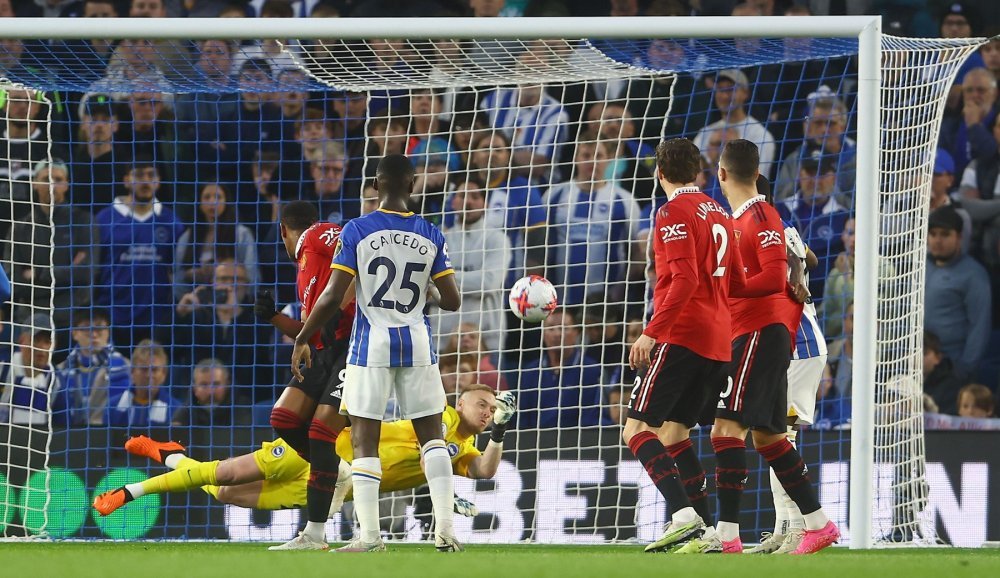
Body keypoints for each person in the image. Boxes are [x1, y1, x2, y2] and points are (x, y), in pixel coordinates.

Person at [290, 153, 462, 553]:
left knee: (364, 439)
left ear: (376, 185)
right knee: (431, 437)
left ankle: (370, 537)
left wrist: (303, 337)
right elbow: (452, 301)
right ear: (413, 185)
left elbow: (332, 295)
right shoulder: (431, 233)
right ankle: (446, 530)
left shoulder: (357, 229)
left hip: (372, 345)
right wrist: (429, 290)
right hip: (417, 343)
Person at [680, 139, 839, 555]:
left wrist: (724, 285)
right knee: (769, 438)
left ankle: (728, 535)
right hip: (753, 333)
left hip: (760, 332)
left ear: (721, 174)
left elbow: (771, 277)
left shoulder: (762, 214)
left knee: (726, 429)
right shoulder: (737, 220)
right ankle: (818, 524)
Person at [93, 386, 516, 521]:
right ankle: (130, 491)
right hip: (318, 451)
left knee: (224, 494)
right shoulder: (439, 417)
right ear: (460, 403)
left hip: (331, 487)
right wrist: (443, 494)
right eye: (482, 405)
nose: (487, 411)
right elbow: (430, 456)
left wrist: (499, 431)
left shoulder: (464, 447)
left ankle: (169, 454)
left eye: (491, 409)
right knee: (224, 474)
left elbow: (483, 470)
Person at [621, 138, 738, 554]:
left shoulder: (671, 212)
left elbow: (685, 280)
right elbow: (735, 279)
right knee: (674, 433)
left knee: (636, 429)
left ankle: (684, 516)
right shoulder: (720, 212)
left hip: (683, 334)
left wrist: (652, 331)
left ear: (660, 174)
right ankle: (705, 532)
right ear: (699, 172)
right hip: (719, 340)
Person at [254, 200, 355, 550]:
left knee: (320, 433)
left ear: (283, 230)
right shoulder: (305, 269)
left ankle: (314, 534)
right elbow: (309, 332)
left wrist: (343, 303)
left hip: (354, 346)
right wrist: (274, 318)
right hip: (326, 351)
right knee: (284, 418)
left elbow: (357, 253)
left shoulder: (316, 235)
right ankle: (337, 470)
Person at [750, 176, 829, 555]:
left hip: (799, 344)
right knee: (773, 437)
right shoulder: (780, 227)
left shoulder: (767, 227)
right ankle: (785, 528)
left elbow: (801, 261)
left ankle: (799, 528)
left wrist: (796, 275)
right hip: (791, 344)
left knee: (779, 439)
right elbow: (811, 258)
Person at [94, 156, 185, 350]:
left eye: (151, 175)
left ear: (158, 181)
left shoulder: (171, 222)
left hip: (157, 319)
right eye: (139, 175)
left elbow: (176, 270)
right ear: (126, 180)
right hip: (113, 317)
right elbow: (95, 268)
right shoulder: (104, 219)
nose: (145, 181)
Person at [435, 177, 511, 356]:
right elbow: (425, 286)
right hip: (442, 340)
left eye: (475, 197)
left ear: (485, 204)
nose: (468, 202)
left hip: (487, 340)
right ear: (453, 202)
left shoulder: (498, 239)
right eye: (462, 196)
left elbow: (489, 283)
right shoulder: (437, 240)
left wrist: (443, 279)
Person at [924, 205, 992, 379]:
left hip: (950, 366)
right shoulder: (920, 266)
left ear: (959, 237)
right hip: (915, 360)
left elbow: (979, 327)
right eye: (933, 234)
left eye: (945, 234)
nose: (937, 240)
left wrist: (964, 369)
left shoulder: (973, 274)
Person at [512, 309, 604, 429]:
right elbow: (522, 420)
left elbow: (590, 418)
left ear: (576, 332)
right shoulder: (530, 372)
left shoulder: (590, 370)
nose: (557, 334)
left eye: (563, 328)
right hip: (535, 439)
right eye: (551, 328)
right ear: (543, 334)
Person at [58, 308, 130, 427]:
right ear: (74, 333)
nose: (94, 334)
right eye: (86, 328)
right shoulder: (60, 370)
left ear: (108, 331)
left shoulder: (126, 367)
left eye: (99, 328)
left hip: (111, 434)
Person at [107, 339, 179, 427]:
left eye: (154, 370)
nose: (149, 375)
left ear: (164, 374)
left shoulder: (175, 410)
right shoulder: (112, 407)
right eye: (144, 369)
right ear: (132, 372)